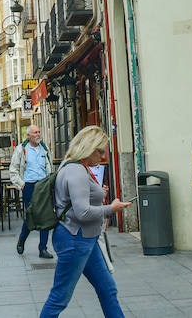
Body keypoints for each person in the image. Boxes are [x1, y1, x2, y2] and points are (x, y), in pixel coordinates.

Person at [39, 126, 132, 318]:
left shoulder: (72, 166)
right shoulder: (77, 171)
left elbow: (76, 202)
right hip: (75, 240)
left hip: (84, 238)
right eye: (100, 150)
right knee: (59, 298)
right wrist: (111, 209)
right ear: (89, 148)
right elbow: (82, 212)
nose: (103, 155)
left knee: (108, 289)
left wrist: (99, 195)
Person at [11, 123, 54, 259]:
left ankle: (43, 248)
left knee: (45, 216)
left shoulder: (44, 149)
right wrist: (22, 184)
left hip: (43, 185)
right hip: (29, 186)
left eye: (39, 132)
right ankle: (22, 240)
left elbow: (49, 166)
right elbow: (13, 170)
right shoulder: (21, 149)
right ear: (28, 135)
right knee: (31, 216)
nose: (38, 135)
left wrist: (49, 181)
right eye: (35, 132)